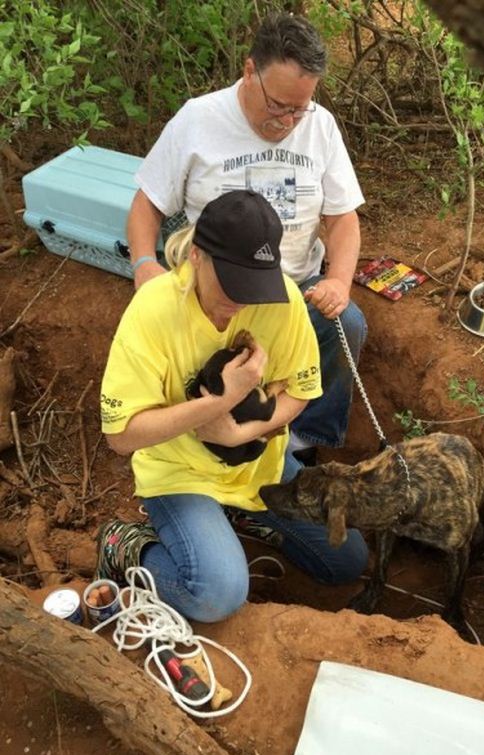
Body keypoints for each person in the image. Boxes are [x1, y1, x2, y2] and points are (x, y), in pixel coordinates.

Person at [97, 190, 368, 623]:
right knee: (216, 596)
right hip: (179, 471)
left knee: (345, 561)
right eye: (231, 283)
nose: (240, 301)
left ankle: (240, 516)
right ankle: (128, 546)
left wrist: (238, 434)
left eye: (252, 286)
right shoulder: (154, 310)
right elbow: (121, 435)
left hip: (257, 464)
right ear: (198, 256)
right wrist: (221, 401)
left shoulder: (282, 300)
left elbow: (301, 389)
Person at [127, 12, 367, 464]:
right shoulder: (199, 120)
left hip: (295, 287)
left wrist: (338, 281)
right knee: (210, 384)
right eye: (278, 105)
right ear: (249, 70)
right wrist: (144, 265)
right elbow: (147, 204)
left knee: (348, 323)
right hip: (214, 290)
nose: (288, 121)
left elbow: (343, 219)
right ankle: (213, 444)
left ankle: (303, 443)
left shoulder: (320, 126)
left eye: (300, 108)